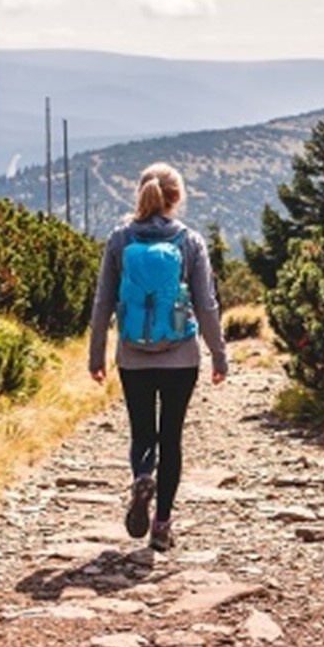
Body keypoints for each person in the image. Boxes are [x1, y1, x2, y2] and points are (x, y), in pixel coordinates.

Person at [89, 162, 229, 552]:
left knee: (142, 432)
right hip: (181, 357)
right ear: (176, 198)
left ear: (142, 193)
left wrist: (96, 355)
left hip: (132, 356)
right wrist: (219, 355)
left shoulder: (120, 239)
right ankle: (162, 525)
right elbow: (206, 304)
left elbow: (103, 302)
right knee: (172, 437)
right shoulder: (190, 242)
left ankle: (141, 474)